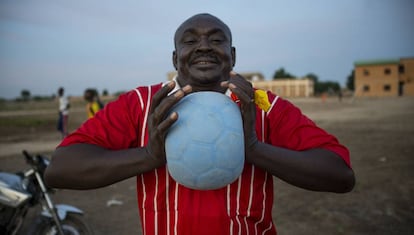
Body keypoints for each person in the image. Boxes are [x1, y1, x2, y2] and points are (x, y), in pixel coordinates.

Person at [45, 13, 355, 234]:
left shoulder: (261, 105)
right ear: (174, 58)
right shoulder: (142, 104)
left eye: (216, 40)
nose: (204, 46)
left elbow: (339, 174)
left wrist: (253, 149)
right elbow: (60, 169)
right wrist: (149, 156)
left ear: (231, 55)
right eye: (190, 40)